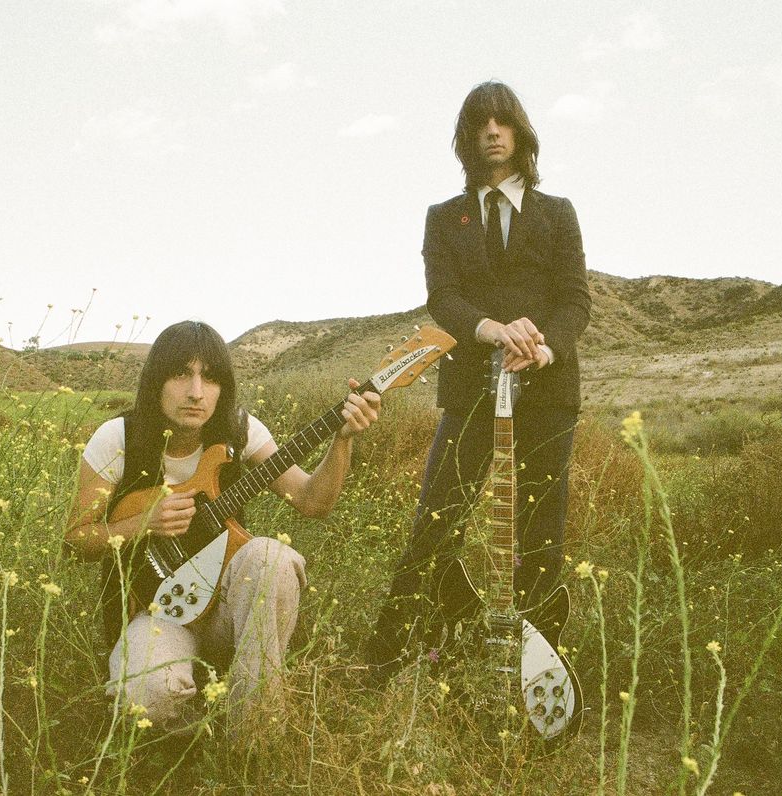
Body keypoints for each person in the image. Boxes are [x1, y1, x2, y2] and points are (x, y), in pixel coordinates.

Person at [365, 80, 590, 676]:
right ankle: (387, 656)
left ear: (520, 133)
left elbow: (575, 304)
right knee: (437, 516)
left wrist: (541, 348)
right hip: (469, 389)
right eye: (479, 123)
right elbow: (444, 299)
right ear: (466, 139)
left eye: (503, 121)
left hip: (548, 392)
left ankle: (538, 676)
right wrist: (491, 329)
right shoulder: (444, 219)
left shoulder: (558, 214)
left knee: (542, 531)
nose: (492, 131)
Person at [65, 320, 380, 735]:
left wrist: (342, 440)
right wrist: (143, 522)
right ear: (156, 380)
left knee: (272, 557)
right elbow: (75, 541)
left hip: (228, 609)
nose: (196, 392)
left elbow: (311, 501)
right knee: (146, 699)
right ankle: (207, 716)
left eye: (210, 378)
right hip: (158, 611)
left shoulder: (240, 430)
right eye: (181, 374)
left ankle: (253, 731)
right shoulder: (118, 437)